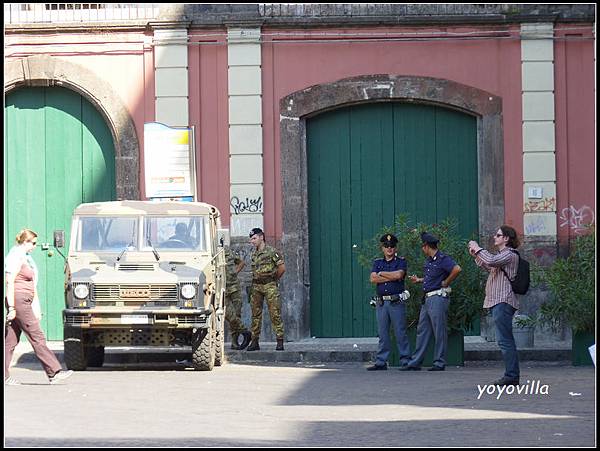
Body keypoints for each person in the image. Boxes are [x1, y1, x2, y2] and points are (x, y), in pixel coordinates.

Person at [5, 229, 74, 385]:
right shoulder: (15, 256)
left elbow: (32, 285)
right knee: (37, 337)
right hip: (19, 301)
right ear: (25, 241)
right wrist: (12, 307)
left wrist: (36, 306)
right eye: (33, 243)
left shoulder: (26, 257)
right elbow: (9, 282)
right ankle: (53, 372)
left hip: (24, 301)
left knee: (10, 341)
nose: (35, 246)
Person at [400, 232, 461, 372]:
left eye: (423, 246)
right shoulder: (430, 261)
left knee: (439, 331)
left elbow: (457, 269)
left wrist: (446, 282)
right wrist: (420, 280)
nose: (422, 249)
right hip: (427, 298)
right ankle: (416, 362)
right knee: (422, 330)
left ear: (427, 246)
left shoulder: (442, 259)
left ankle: (439, 362)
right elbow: (433, 277)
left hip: (437, 297)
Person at [468, 225, 521, 386]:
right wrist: (476, 256)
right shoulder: (502, 256)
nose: (494, 237)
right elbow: (490, 267)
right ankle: (511, 374)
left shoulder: (510, 255)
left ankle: (511, 375)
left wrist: (477, 248)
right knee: (504, 339)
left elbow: (491, 260)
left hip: (503, 300)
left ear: (506, 238)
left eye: (498, 235)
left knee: (505, 340)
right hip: (497, 301)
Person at [366, 234, 411, 371]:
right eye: (386, 246)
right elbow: (373, 279)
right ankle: (381, 362)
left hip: (396, 301)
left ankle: (406, 361)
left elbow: (399, 275)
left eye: (392, 246)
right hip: (381, 303)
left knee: (400, 332)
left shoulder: (401, 261)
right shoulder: (377, 262)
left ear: (395, 247)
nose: (389, 248)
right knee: (383, 333)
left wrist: (381, 274)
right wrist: (389, 276)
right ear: (382, 248)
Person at [247, 228, 285, 351]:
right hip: (256, 287)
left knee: (274, 313)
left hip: (270, 286)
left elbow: (282, 268)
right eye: (251, 239)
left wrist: (274, 280)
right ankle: (254, 341)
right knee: (255, 315)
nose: (251, 241)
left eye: (254, 238)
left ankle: (279, 341)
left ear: (261, 237)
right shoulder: (254, 254)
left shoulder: (272, 252)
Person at [224, 246, 252, 350]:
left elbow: (241, 262)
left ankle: (234, 343)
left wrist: (235, 272)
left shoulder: (228, 251)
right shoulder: (212, 253)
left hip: (235, 287)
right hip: (222, 289)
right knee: (229, 314)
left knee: (236, 314)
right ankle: (246, 332)